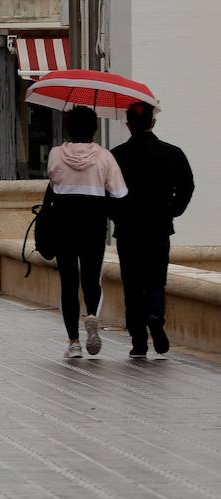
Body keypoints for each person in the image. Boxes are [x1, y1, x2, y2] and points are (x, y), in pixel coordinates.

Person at [111, 102, 194, 358]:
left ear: (127, 125)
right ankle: (156, 316)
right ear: (153, 122)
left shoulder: (116, 156)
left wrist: (117, 215)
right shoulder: (172, 153)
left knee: (132, 284)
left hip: (127, 230)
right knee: (156, 279)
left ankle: (138, 340)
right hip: (158, 227)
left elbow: (108, 192)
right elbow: (187, 186)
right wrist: (172, 210)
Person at [47, 105, 128, 359]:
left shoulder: (55, 154)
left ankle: (73, 343)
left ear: (68, 127)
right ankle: (92, 316)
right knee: (91, 278)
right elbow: (120, 193)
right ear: (94, 128)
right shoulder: (104, 157)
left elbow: (53, 182)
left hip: (63, 226)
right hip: (93, 226)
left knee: (68, 283)